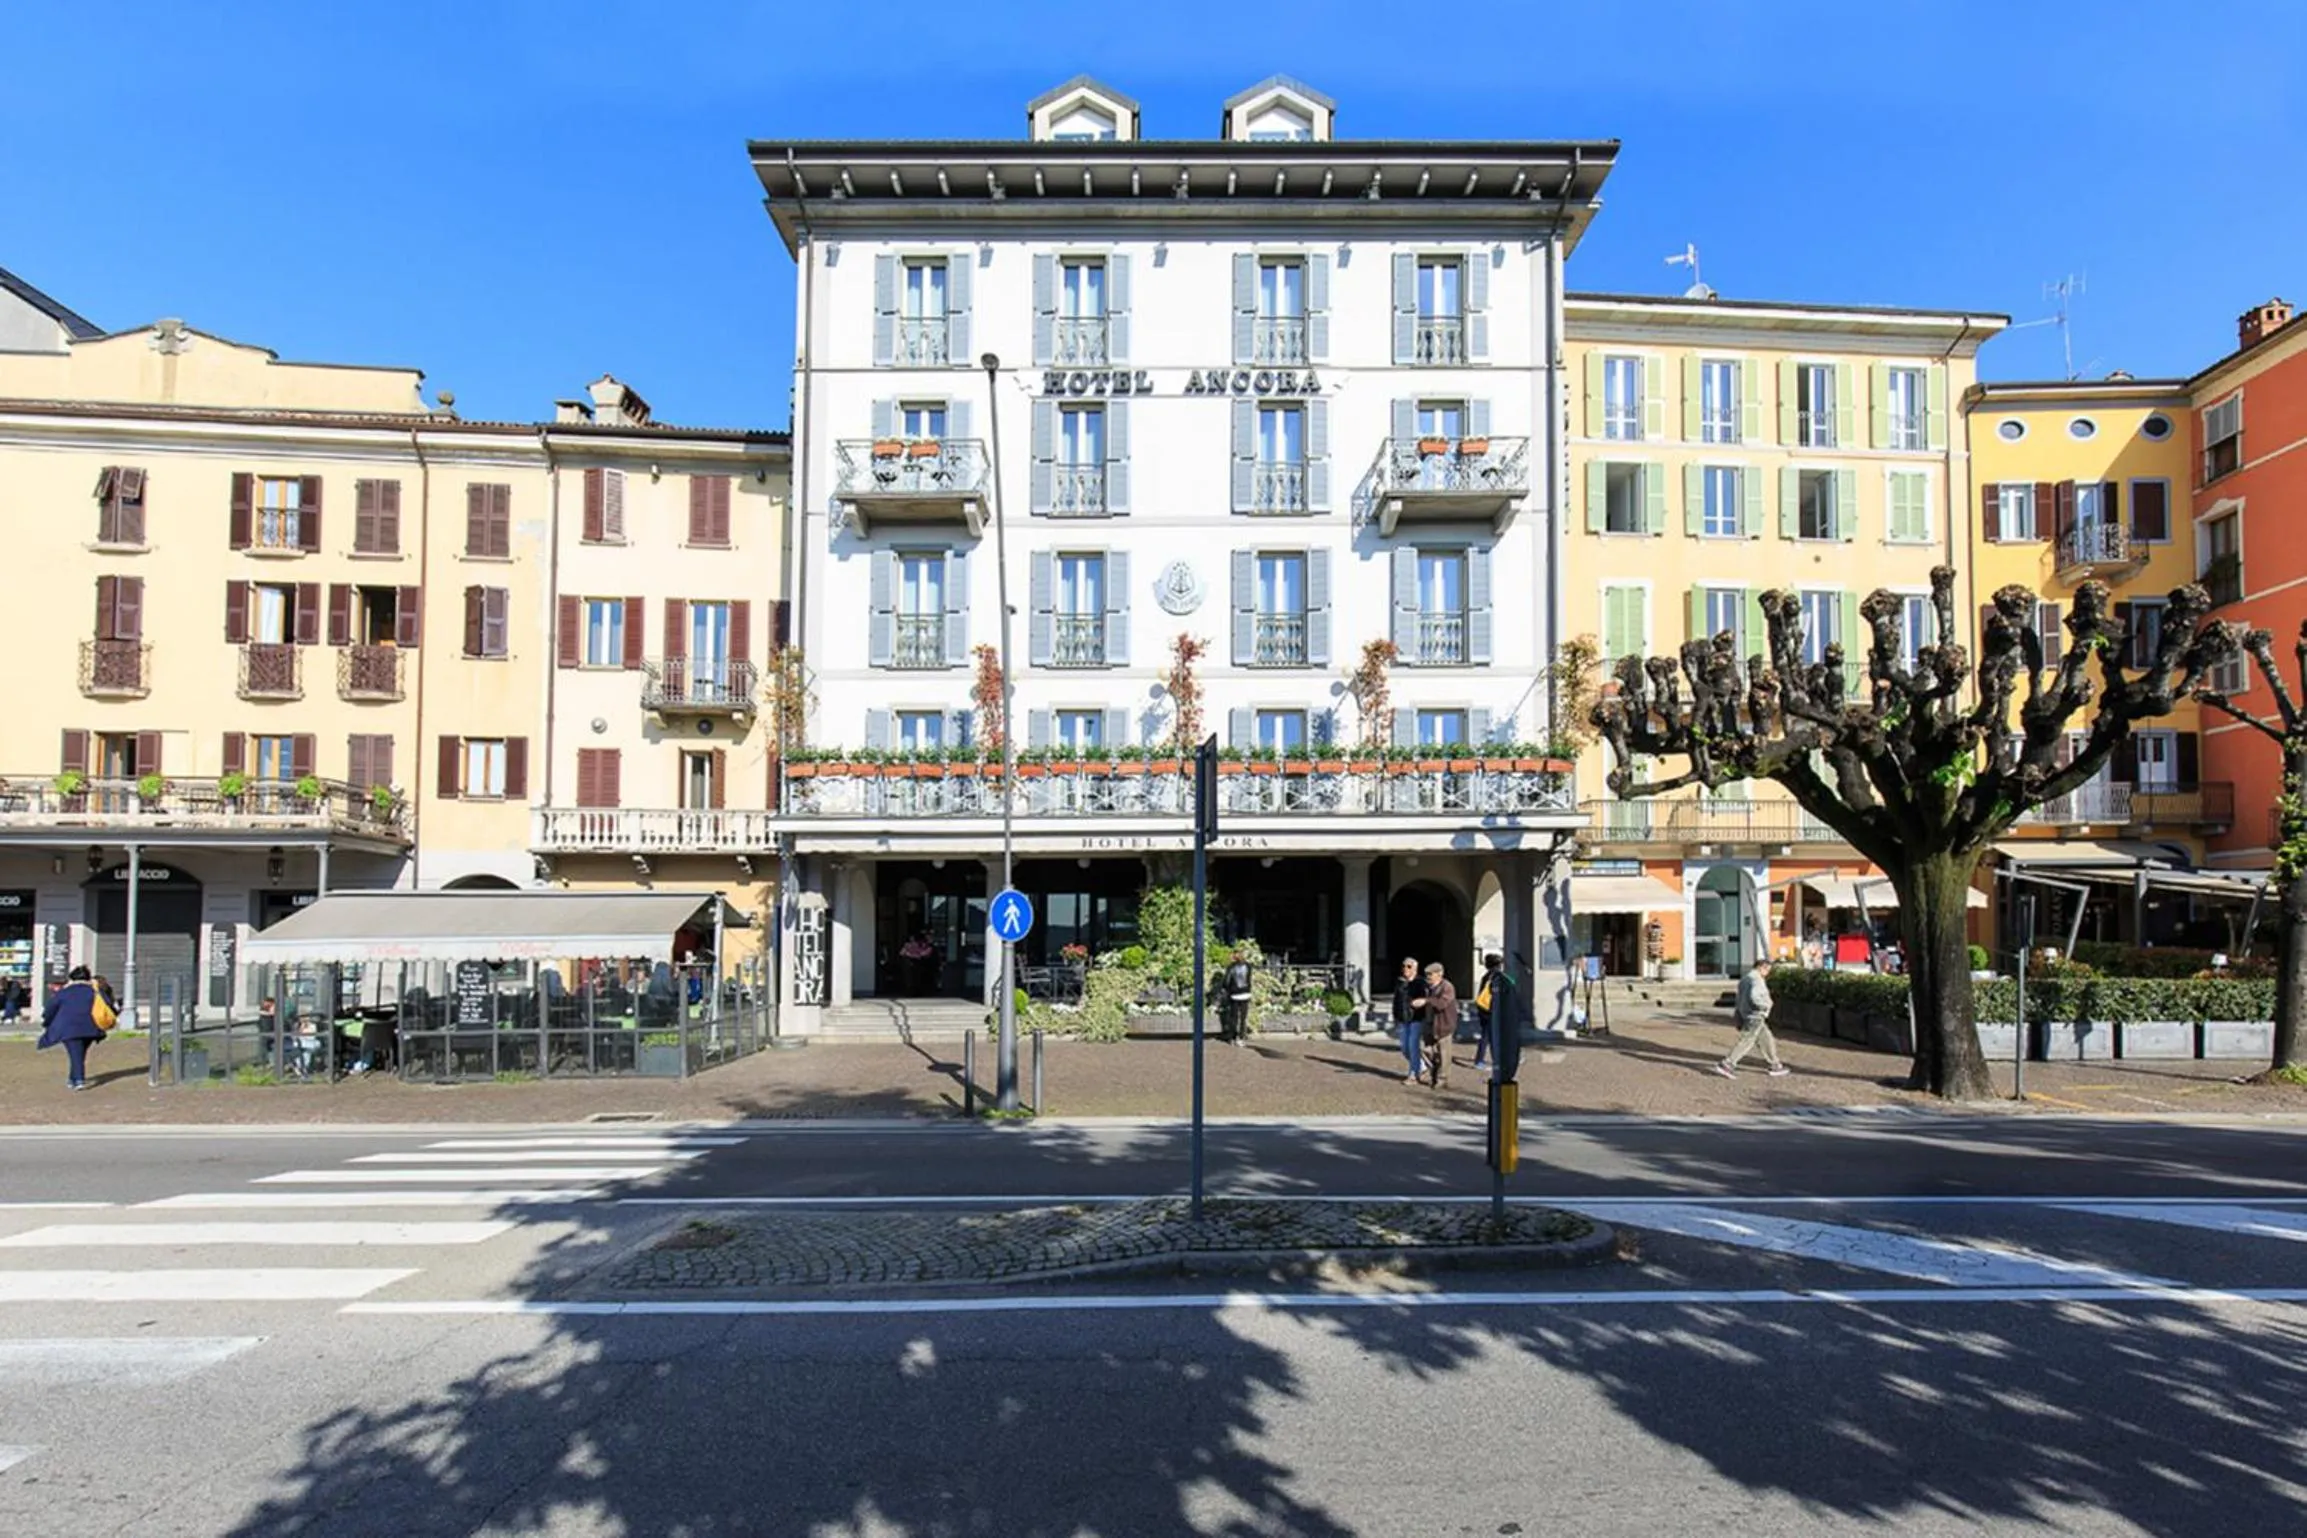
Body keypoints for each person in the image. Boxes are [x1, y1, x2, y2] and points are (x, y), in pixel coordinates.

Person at [36, 965, 109, 1091]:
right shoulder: (96, 992)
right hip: (91, 1027)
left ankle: (79, 1079)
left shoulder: (64, 992)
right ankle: (72, 1079)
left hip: (69, 1028)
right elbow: (108, 1004)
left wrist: (47, 1022)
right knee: (79, 1054)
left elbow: (50, 1009)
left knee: (75, 1053)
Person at [1716, 956, 1791, 1078]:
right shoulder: (1756, 980)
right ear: (1761, 968)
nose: (1767, 973)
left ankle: (1775, 1064)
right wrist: (1765, 1006)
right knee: (1747, 1040)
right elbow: (1755, 996)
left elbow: (1739, 999)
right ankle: (1727, 1063)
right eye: (1767, 970)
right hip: (1755, 1015)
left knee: (1766, 1039)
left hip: (1748, 1014)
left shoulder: (1745, 979)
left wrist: (1739, 1015)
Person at [1471, 952, 1513, 1072]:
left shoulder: (1486, 976)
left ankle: (1487, 1060)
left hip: (1484, 1010)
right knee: (1492, 1036)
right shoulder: (1498, 976)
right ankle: (1486, 1060)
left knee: (1487, 1035)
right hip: (1492, 1010)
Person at [1390, 956, 1428, 1085]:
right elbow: (1396, 1001)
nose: (1405, 969)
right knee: (1405, 1049)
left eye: (1409, 966)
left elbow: (1425, 1000)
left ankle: (1413, 1075)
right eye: (1404, 966)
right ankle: (1422, 1066)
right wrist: (1395, 1016)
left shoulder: (1420, 983)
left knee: (1413, 1047)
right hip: (1403, 1019)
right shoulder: (1400, 982)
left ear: (1415, 969)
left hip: (1416, 1018)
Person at [1421, 962, 1459, 1090]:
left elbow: (1442, 1004)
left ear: (1439, 974)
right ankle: (1434, 1072)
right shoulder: (1428, 987)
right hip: (1429, 1024)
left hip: (1444, 1024)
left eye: (1430, 974)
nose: (1428, 977)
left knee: (1444, 1053)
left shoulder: (1447, 987)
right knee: (1426, 1050)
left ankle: (1442, 1079)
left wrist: (1426, 1000)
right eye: (1426, 974)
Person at [1218, 949, 1255, 1042]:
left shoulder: (1231, 967)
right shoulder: (1248, 966)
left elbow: (1227, 981)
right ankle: (1241, 1036)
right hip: (1246, 993)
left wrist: (1226, 989)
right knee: (1243, 1017)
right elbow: (1249, 978)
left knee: (1234, 1016)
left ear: (1234, 957)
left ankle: (1232, 1036)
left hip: (1235, 994)